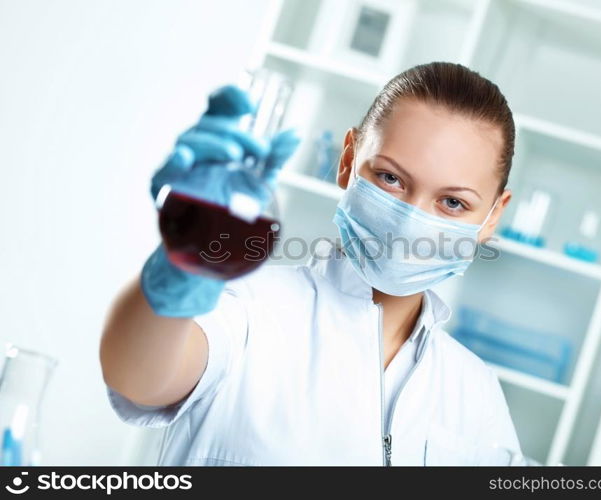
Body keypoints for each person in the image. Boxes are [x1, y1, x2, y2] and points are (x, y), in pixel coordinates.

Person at [100, 61, 520, 466]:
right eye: (391, 178)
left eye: (452, 202)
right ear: (347, 160)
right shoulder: (246, 305)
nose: (409, 221)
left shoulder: (476, 394)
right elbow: (139, 378)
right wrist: (178, 273)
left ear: (492, 218)